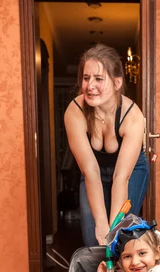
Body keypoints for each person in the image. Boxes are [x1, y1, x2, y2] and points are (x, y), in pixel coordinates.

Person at [64, 43, 150, 247]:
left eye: (98, 79)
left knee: (120, 238)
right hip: (93, 173)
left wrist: (113, 226)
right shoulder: (75, 112)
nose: (89, 85)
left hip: (130, 172)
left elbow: (121, 176)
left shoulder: (132, 117)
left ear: (117, 82)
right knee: (93, 239)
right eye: (86, 78)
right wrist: (101, 223)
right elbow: (90, 170)